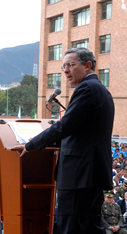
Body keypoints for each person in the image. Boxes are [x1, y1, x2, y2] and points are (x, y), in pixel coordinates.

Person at [19, 48, 115, 234]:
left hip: (79, 175)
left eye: (70, 65)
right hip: (92, 174)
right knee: (91, 229)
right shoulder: (102, 90)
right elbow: (80, 131)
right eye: (64, 66)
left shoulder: (86, 89)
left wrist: (31, 144)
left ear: (88, 66)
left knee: (70, 229)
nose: (65, 70)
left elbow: (65, 126)